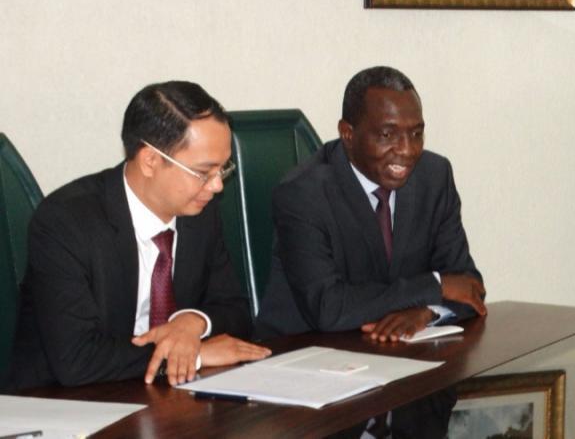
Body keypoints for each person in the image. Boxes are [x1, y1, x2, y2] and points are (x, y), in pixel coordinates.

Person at [11, 81, 270, 390]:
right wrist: (193, 355)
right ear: (150, 161)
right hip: (63, 400)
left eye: (223, 169)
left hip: (160, 395)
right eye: (204, 172)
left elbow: (236, 310)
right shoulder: (66, 222)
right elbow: (76, 359)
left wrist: (194, 322)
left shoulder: (200, 213)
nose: (217, 186)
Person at [256, 66, 485, 342]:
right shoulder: (303, 194)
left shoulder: (434, 176)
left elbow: (468, 286)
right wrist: (433, 286)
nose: (407, 150)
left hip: (392, 352)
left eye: (416, 134)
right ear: (347, 133)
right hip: (304, 350)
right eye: (388, 135)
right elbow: (328, 308)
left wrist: (427, 311)